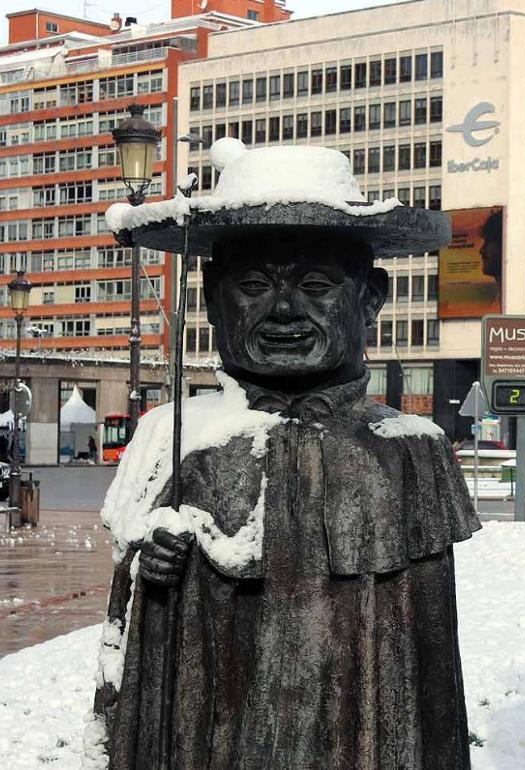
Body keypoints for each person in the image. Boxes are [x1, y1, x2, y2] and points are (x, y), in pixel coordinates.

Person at [90, 138, 480, 770]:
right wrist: (148, 560)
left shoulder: (412, 452)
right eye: (252, 285)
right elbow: (127, 632)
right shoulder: (174, 438)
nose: (286, 309)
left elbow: (431, 668)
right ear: (215, 300)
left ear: (370, 299)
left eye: (318, 284)